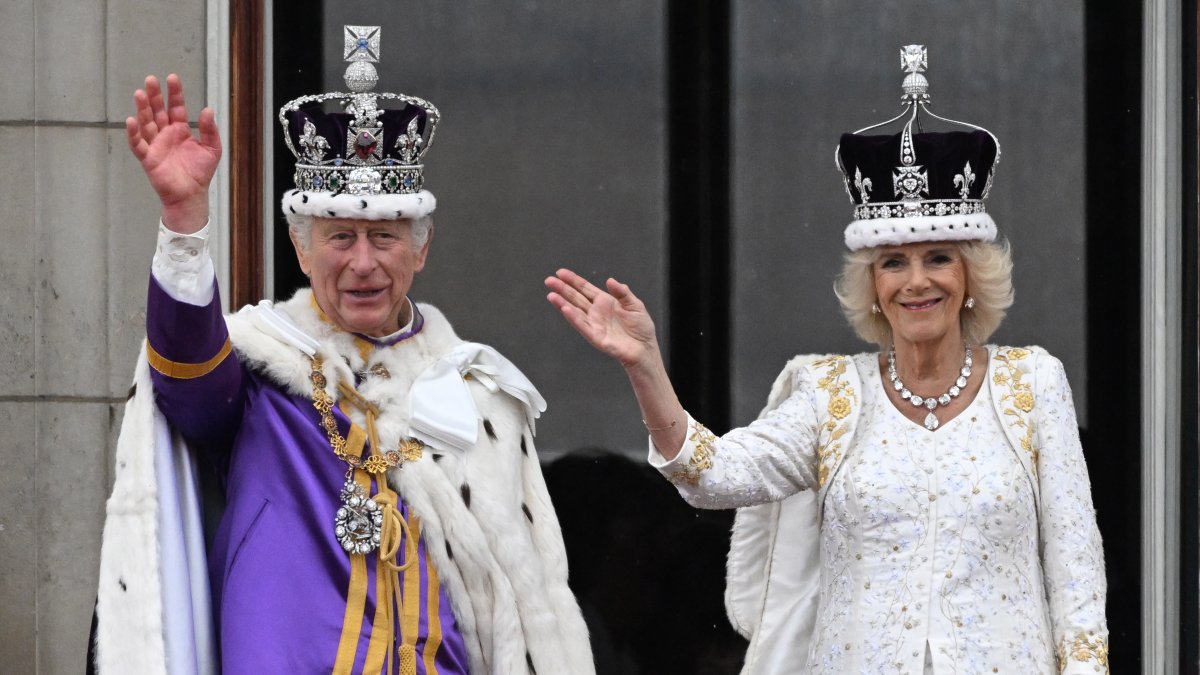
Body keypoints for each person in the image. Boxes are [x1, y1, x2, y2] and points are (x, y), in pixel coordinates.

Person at [545, 45, 1107, 674]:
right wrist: (645, 363)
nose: (916, 281)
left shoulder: (1032, 383)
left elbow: (1075, 568)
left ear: (972, 274)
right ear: (874, 286)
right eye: (894, 262)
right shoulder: (830, 393)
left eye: (938, 258)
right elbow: (712, 476)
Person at [94, 26, 594, 675]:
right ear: (301, 249)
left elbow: (524, 610)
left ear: (422, 248)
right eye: (340, 236)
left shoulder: (480, 398)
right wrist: (185, 220)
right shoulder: (260, 373)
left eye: (384, 236)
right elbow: (188, 380)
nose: (362, 263)